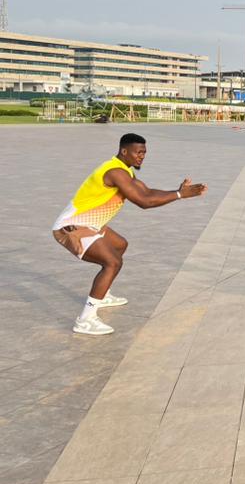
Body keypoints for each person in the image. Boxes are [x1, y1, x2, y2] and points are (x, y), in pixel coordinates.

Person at [53, 133, 207, 335]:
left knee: (120, 245)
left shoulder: (125, 171)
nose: (142, 156)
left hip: (90, 224)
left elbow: (147, 192)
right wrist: (179, 195)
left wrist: (177, 191)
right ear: (124, 151)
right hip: (71, 226)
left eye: (144, 153)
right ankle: (85, 320)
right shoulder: (115, 172)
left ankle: (102, 294)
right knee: (113, 263)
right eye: (138, 152)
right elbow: (144, 202)